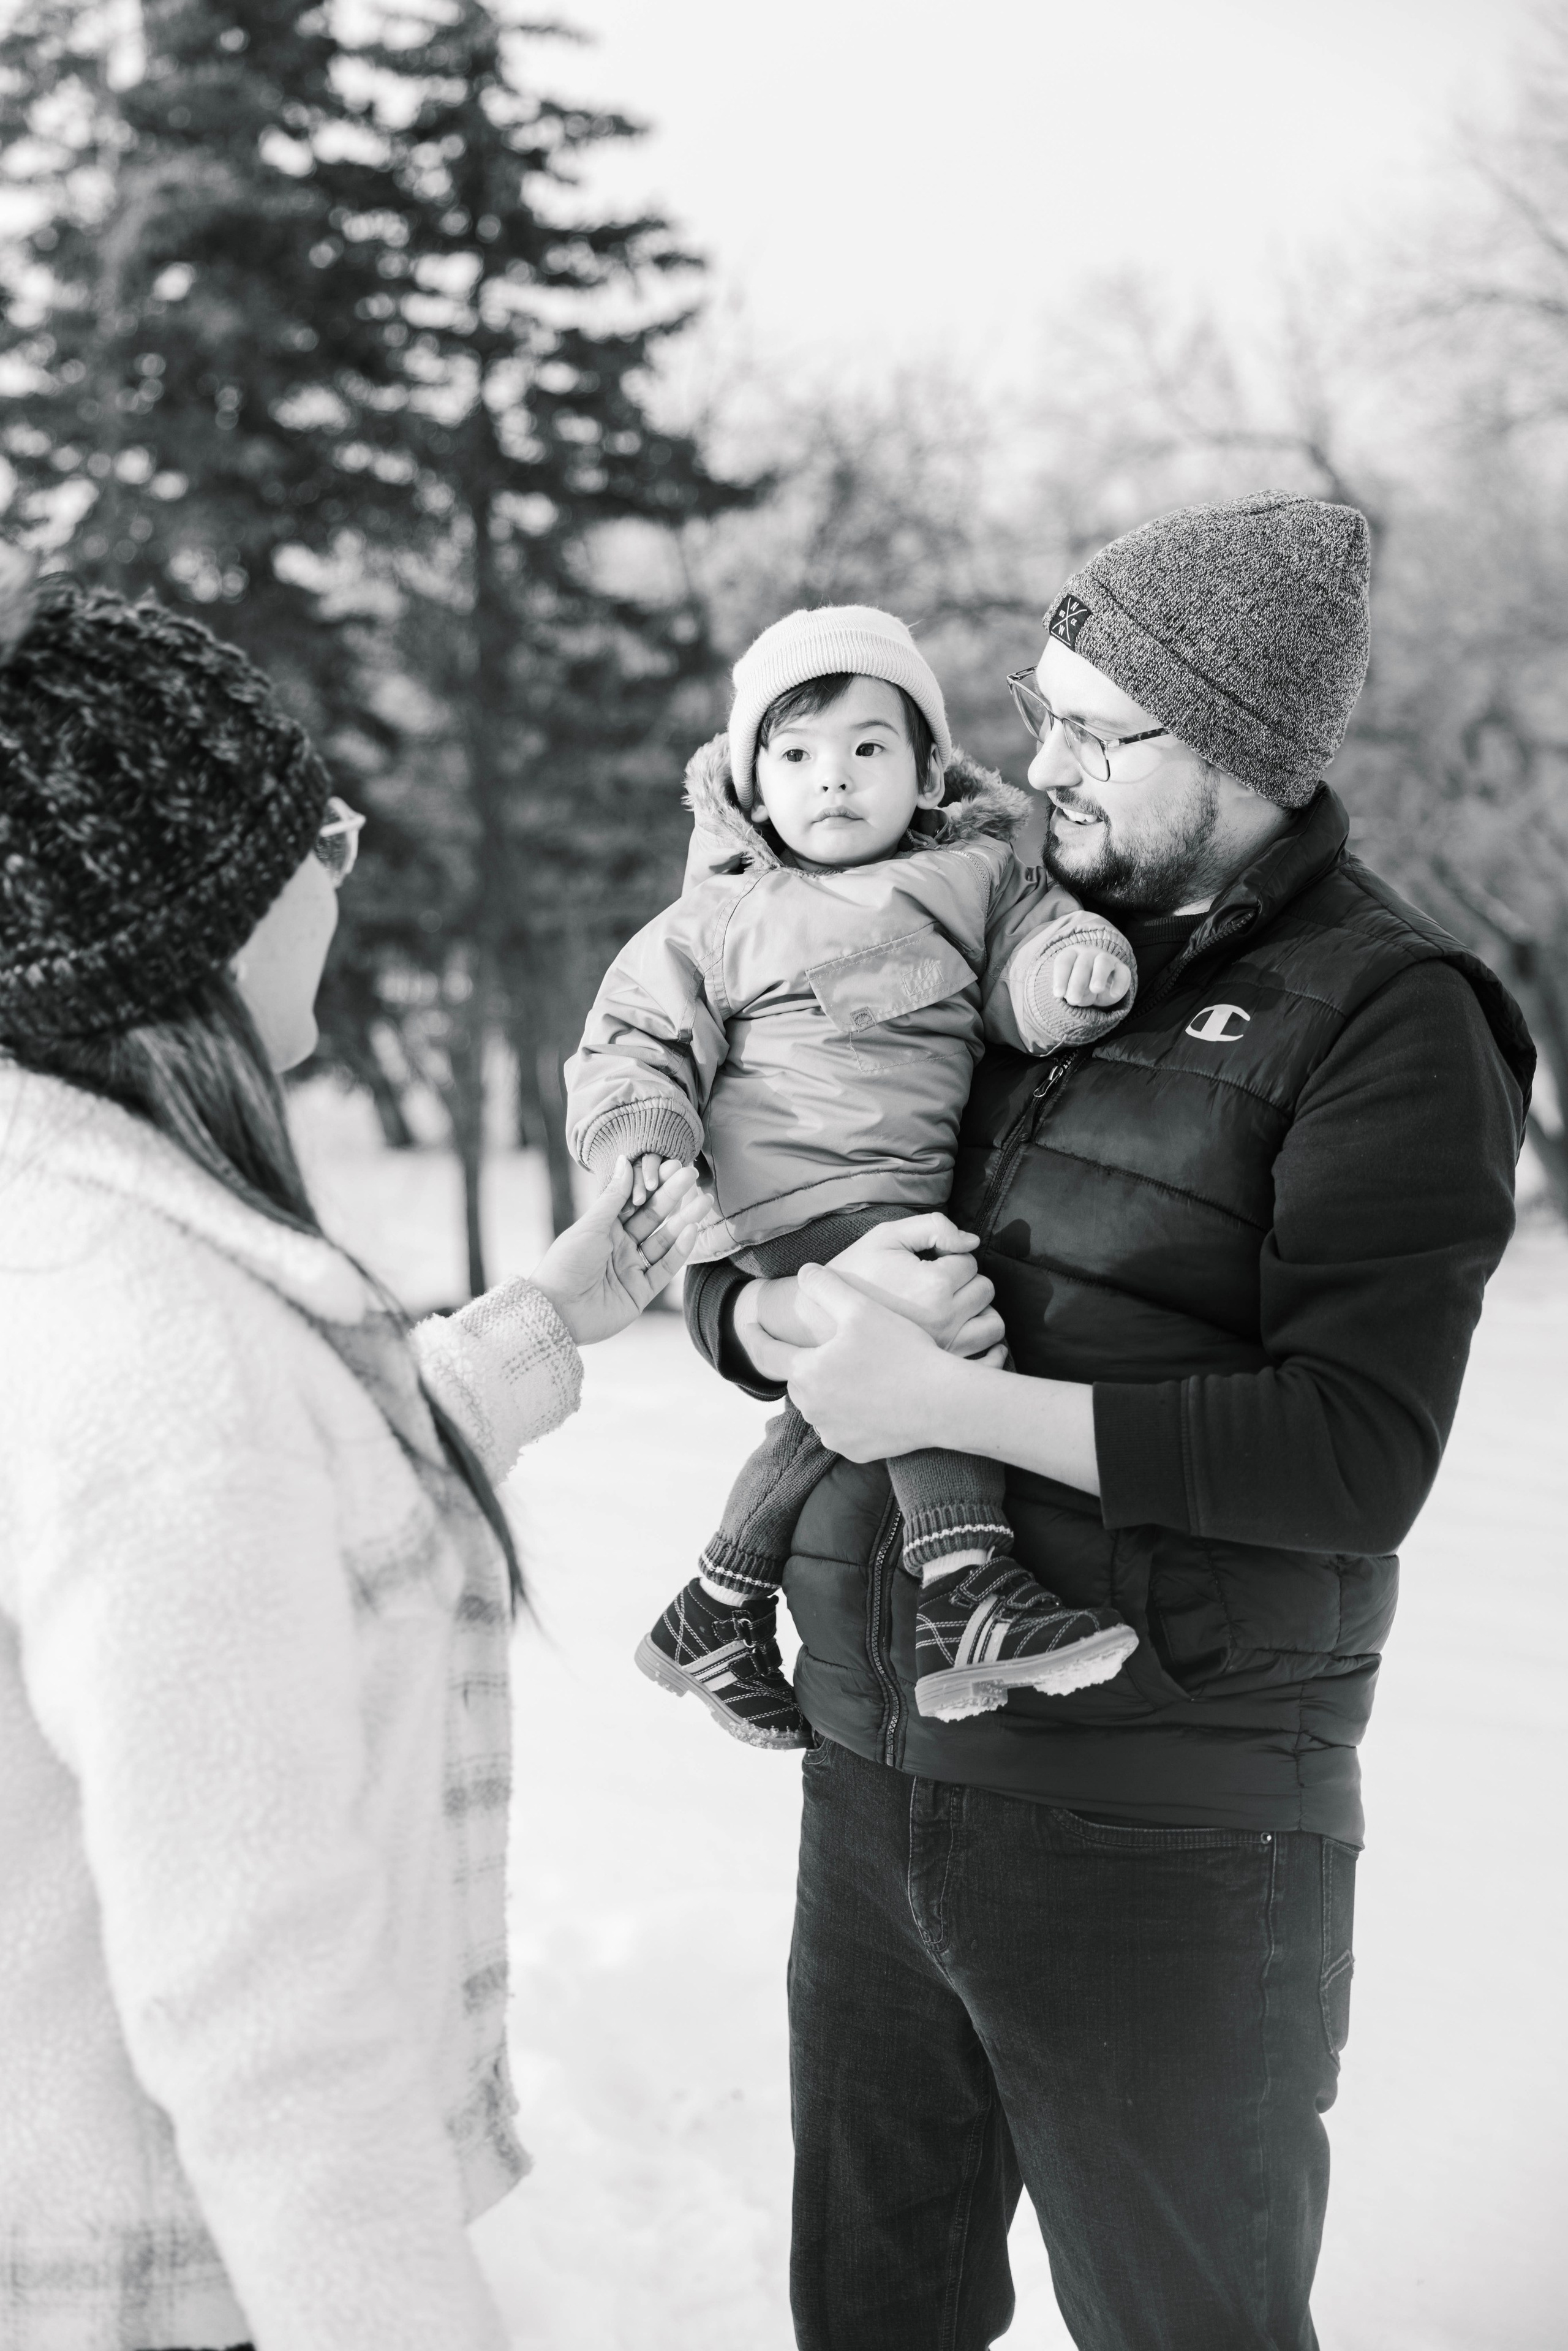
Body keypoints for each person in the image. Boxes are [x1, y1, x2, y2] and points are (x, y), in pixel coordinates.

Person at [682, 495, 1536, 2351]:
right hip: (877, 1775)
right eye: (1037, 707)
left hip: (1162, 1821)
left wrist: (954, 1400)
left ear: (1232, 742)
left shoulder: (1389, 1014)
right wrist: (765, 1312)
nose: (1036, 759)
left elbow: (1353, 1452)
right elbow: (807, 1162)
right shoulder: (1015, 939)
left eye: (1094, 728)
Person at [0, 556, 707, 2351]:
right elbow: (262, 2010)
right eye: (317, 834)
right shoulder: (158, 1357)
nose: (341, 868)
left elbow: (283, 1539)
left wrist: (540, 1317)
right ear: (206, 918)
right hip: (186, 2285)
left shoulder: (81, 1244)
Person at [564, 604, 1140, 1749]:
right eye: (797, 755)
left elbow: (1031, 957)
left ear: (928, 769)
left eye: (868, 748)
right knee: (923, 1339)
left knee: (852, 1379)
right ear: (750, 784)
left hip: (895, 1189)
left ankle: (716, 1606)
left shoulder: (977, 877)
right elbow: (635, 1037)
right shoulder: (721, 913)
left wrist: (1072, 973)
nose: (834, 779)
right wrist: (644, 1135)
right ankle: (967, 1585)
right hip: (785, 1192)